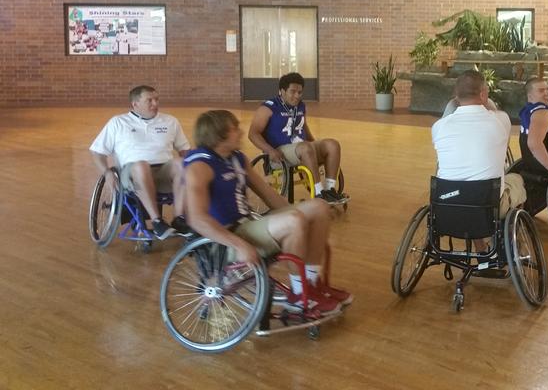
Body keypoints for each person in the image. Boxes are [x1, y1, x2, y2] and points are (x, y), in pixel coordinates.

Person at [185, 109, 352, 312]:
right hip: (226, 239)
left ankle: (312, 284)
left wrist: (310, 218)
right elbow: (197, 219)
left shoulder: (237, 159)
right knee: (294, 221)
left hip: (247, 225)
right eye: (234, 128)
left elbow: (269, 196)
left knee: (319, 207)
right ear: (218, 136)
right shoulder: (200, 166)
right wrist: (239, 245)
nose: (240, 132)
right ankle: (299, 295)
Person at [89, 85, 189, 240]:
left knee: (181, 163)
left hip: (162, 171)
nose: (155, 104)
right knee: (141, 166)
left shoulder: (170, 121)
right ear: (135, 104)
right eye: (149, 100)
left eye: (156, 99)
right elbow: (97, 151)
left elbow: (184, 150)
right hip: (131, 174)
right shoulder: (118, 122)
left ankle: (179, 219)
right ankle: (157, 222)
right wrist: (107, 172)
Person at [432, 70, 526, 225]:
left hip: (448, 200)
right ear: (483, 94)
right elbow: (502, 151)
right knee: (517, 179)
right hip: (487, 204)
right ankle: (514, 238)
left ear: (456, 96)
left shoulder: (439, 127)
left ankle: (478, 242)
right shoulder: (501, 120)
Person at [248, 73, 346, 204]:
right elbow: (253, 134)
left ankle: (330, 190)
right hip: (279, 153)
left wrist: (316, 145)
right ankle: (319, 193)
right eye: (293, 92)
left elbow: (303, 127)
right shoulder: (268, 107)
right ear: (282, 91)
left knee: (332, 144)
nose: (297, 96)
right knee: (305, 147)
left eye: (300, 92)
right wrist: (270, 151)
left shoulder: (300, 106)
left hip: (302, 149)